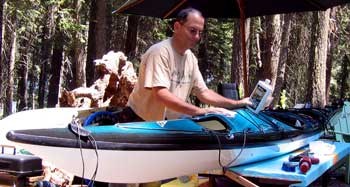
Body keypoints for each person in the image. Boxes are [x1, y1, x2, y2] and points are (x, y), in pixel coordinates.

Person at [120, 8, 252, 123]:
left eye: (200, 32)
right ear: (177, 27)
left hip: (168, 123)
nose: (197, 37)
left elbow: (203, 92)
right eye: (193, 30)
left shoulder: (190, 58)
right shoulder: (160, 52)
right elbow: (161, 93)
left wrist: (236, 104)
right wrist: (200, 111)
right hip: (139, 121)